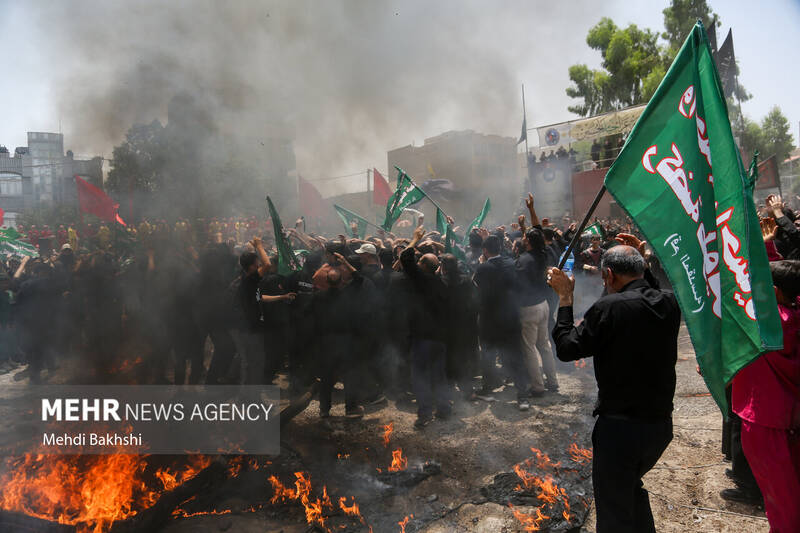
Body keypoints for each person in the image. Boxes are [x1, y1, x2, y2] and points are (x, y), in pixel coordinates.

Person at [547, 237, 680, 533]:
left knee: (613, 512)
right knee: (630, 489)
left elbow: (568, 349)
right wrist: (643, 257)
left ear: (608, 275)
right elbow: (653, 291)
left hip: (621, 431)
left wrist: (565, 298)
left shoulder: (609, 307)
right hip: (659, 426)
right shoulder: (669, 302)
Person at [731, 260, 800, 532]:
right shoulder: (792, 317)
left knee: (783, 502)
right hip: (791, 419)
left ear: (773, 291)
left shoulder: (762, 324)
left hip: (764, 421)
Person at [400, 226, 451, 428]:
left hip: (422, 338)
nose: (417, 262)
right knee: (438, 374)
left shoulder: (421, 281)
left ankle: (425, 414)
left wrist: (414, 239)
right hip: (439, 338)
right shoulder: (443, 284)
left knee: (420, 376)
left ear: (423, 266)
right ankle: (444, 408)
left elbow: (405, 258)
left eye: (420, 261)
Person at [474, 234, 531, 410]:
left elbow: (478, 291)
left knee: (489, 356)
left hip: (490, 319)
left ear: (485, 250)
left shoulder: (483, 268)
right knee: (516, 356)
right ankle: (522, 396)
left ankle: (487, 387)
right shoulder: (512, 264)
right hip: (511, 317)